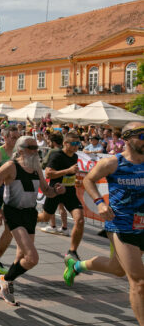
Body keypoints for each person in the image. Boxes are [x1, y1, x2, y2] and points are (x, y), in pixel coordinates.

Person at [64, 122, 143, 324]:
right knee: (139, 282)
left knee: (117, 269)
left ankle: (77, 266)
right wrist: (100, 203)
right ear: (127, 139)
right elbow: (89, 180)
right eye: (141, 136)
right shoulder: (112, 163)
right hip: (122, 224)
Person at [0, 136, 65, 306]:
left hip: (30, 214)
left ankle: (3, 286)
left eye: (36, 147)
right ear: (20, 150)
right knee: (32, 257)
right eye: (31, 147)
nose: (36, 150)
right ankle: (5, 279)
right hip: (13, 213)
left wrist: (56, 191)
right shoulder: (11, 166)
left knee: (21, 256)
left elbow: (46, 191)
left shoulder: (36, 168)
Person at [37, 132, 84, 261]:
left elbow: (68, 176)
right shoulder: (56, 155)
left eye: (78, 143)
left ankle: (72, 251)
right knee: (44, 217)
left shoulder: (74, 156)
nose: (76, 146)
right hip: (55, 191)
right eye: (73, 143)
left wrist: (75, 180)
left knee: (79, 219)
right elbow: (48, 174)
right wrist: (68, 171)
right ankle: (25, 219)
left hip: (69, 193)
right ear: (65, 143)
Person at [40, 133, 69, 236]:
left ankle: (52, 226)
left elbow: (44, 163)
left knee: (50, 205)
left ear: (54, 142)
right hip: (64, 182)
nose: (48, 143)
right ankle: (65, 227)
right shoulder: (66, 152)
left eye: (49, 142)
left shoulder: (53, 151)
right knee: (61, 206)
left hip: (54, 181)